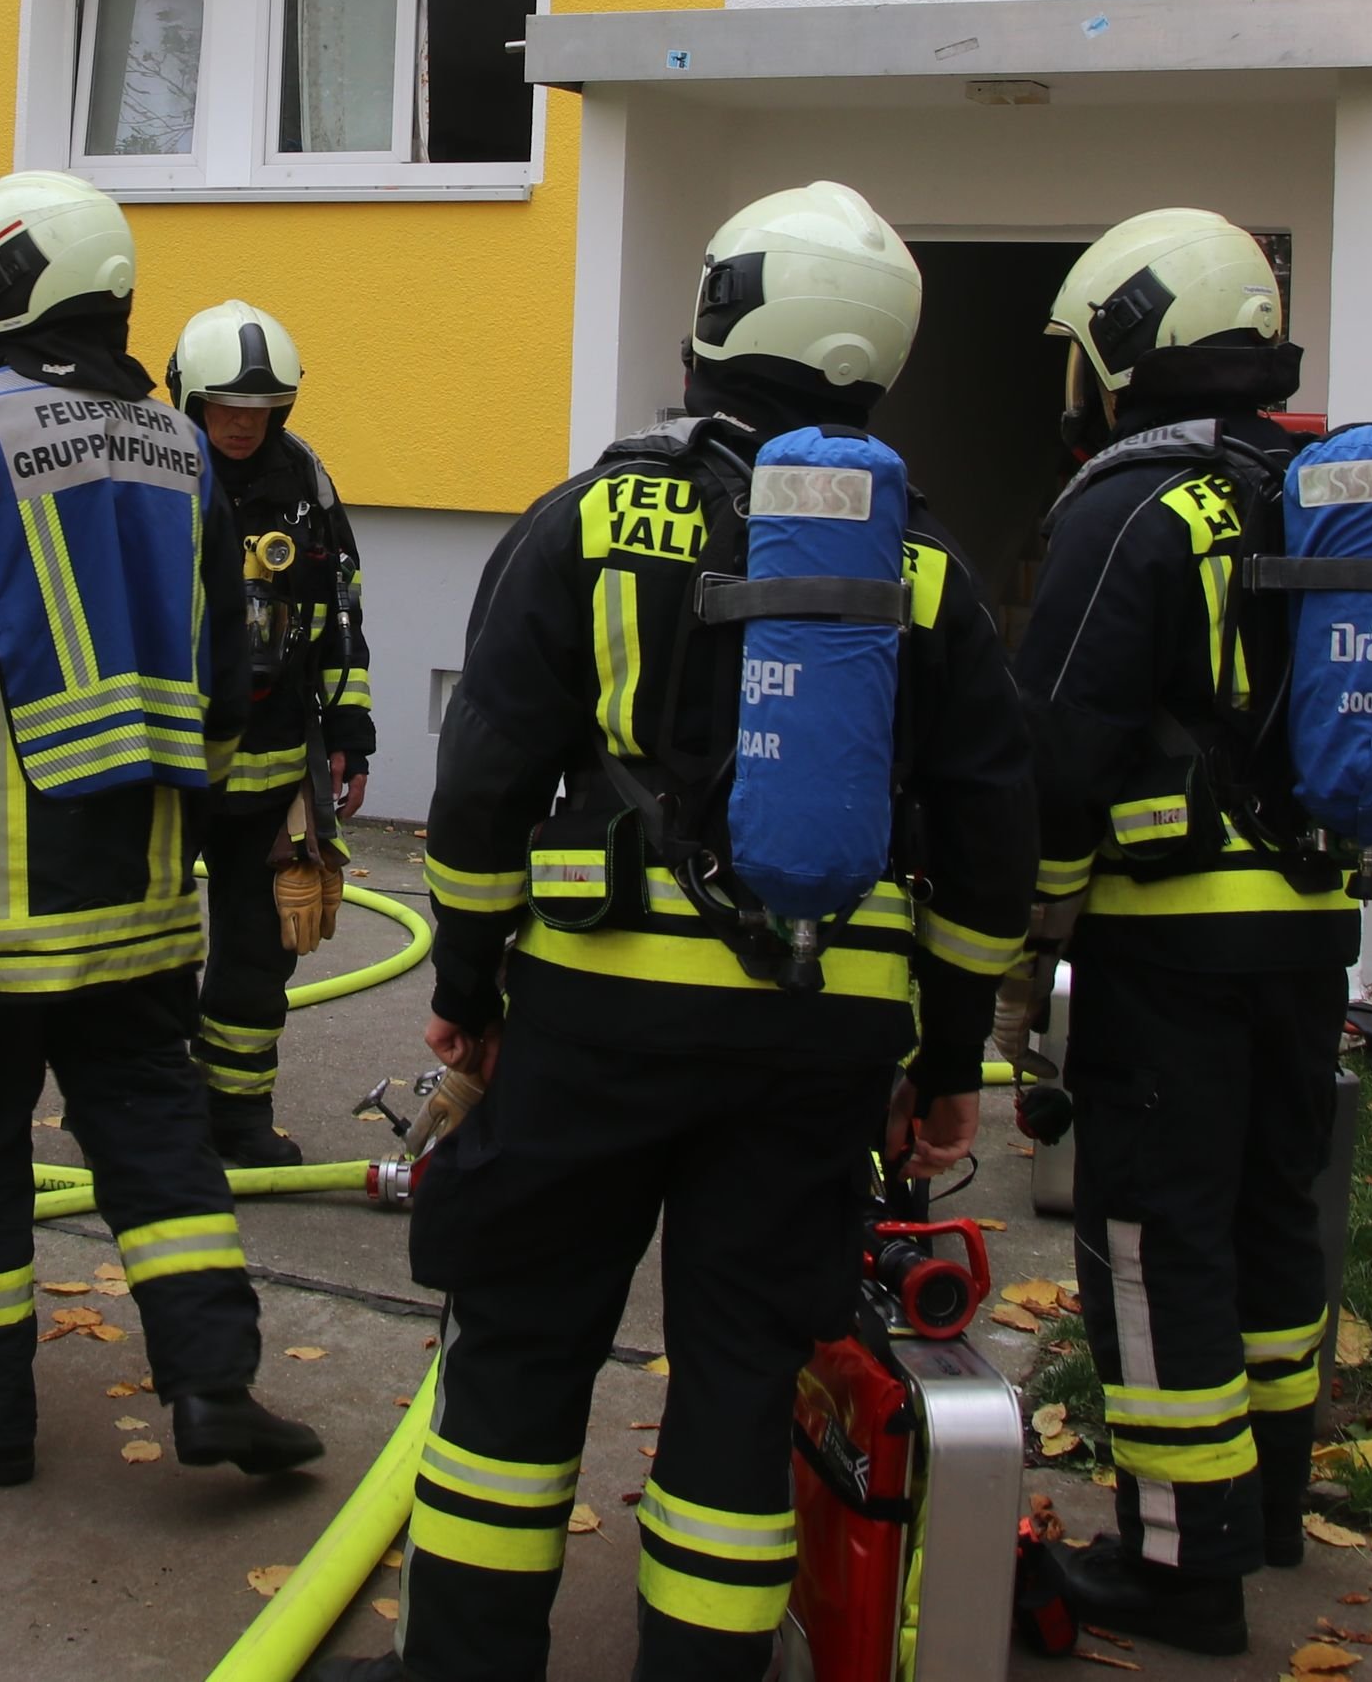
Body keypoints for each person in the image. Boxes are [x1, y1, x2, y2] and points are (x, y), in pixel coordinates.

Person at [373, 183, 1034, 1682]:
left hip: (596, 1017)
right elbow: (993, 845)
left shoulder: (593, 515)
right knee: (744, 1371)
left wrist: (468, 988)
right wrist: (945, 1063)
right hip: (821, 1039)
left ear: (721, 317)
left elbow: (478, 791)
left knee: (523, 1348)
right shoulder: (918, 565)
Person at [0, 170, 323, 1487]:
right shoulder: (176, 448)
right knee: (154, 1133)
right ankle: (213, 1383)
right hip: (142, 896)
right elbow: (227, 670)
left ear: (0, 287)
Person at [1018, 208, 1358, 1659]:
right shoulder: (1315, 484)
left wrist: (1018, 928)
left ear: (1133, 338)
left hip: (1172, 938)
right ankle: (1267, 1506)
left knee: (1158, 1238)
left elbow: (1060, 741)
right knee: (1276, 1211)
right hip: (1314, 919)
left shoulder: (1126, 501)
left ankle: (1180, 1559)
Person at [162, 297, 373, 1168]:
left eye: (258, 412)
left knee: (258, 955)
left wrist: (350, 729)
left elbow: (340, 616)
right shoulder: (157, 475)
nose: (242, 427)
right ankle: (158, 1117)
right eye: (225, 410)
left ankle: (238, 1123)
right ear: (188, 401)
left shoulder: (306, 483)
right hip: (168, 768)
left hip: (272, 771)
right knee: (156, 952)